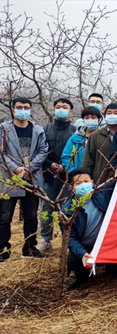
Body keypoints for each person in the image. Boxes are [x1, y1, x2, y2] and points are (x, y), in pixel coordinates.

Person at [0, 97, 49, 262]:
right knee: (5, 215)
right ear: (13, 110)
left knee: (31, 215)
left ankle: (29, 247)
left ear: (31, 110)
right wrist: (15, 168)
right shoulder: (4, 129)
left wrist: (29, 168)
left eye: (26, 107)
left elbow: (43, 150)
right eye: (19, 107)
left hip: (32, 177)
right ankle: (3, 249)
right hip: (10, 178)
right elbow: (1, 152)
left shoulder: (38, 130)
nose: (23, 110)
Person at [64, 168, 117, 289]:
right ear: (72, 187)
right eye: (78, 183)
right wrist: (82, 253)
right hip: (84, 245)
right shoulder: (66, 211)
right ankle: (82, 277)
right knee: (74, 259)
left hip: (106, 242)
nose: (84, 185)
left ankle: (113, 269)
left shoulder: (102, 192)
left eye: (86, 181)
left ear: (92, 181)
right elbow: (70, 239)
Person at [37, 98, 76, 252]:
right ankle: (46, 239)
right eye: (58, 107)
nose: (61, 109)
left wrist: (65, 167)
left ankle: (67, 240)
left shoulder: (75, 131)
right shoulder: (45, 130)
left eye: (64, 107)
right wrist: (49, 164)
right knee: (46, 208)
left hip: (66, 177)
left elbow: (77, 154)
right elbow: (39, 152)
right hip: (47, 175)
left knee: (66, 209)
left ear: (71, 111)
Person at [82, 104, 117, 184]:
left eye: (116, 113)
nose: (112, 115)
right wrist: (86, 180)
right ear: (104, 117)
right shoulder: (95, 136)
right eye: (109, 113)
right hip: (99, 182)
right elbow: (88, 161)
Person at [61, 106, 103, 173]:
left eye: (93, 117)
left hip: (99, 176)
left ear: (99, 119)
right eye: (87, 118)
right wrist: (73, 172)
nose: (90, 119)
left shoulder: (104, 137)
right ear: (83, 120)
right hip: (78, 177)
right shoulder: (75, 138)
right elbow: (67, 156)